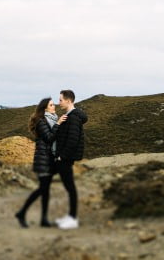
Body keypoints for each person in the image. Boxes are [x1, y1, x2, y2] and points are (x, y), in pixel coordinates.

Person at [14, 97, 67, 228]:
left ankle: (43, 219)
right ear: (45, 108)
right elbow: (49, 138)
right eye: (51, 105)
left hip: (49, 159)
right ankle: (21, 213)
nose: (54, 106)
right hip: (43, 159)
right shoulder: (41, 122)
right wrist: (58, 124)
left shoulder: (51, 120)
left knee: (46, 190)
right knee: (43, 188)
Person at [52, 89, 88, 230]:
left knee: (70, 186)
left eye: (60, 99)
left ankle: (72, 218)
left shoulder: (73, 117)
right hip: (64, 157)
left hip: (66, 158)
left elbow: (72, 140)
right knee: (68, 186)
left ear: (68, 100)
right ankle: (70, 216)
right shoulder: (68, 116)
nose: (59, 102)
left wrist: (63, 156)